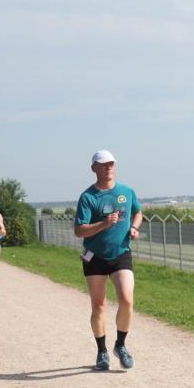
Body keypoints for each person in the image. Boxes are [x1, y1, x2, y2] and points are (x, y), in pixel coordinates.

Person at [73, 150, 143, 371]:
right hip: (95, 256)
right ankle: (102, 350)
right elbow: (79, 230)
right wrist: (104, 223)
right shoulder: (88, 197)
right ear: (94, 168)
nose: (108, 167)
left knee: (127, 299)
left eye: (111, 164)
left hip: (121, 253)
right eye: (103, 164)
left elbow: (138, 212)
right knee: (99, 305)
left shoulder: (126, 190)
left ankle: (120, 345)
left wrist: (133, 227)